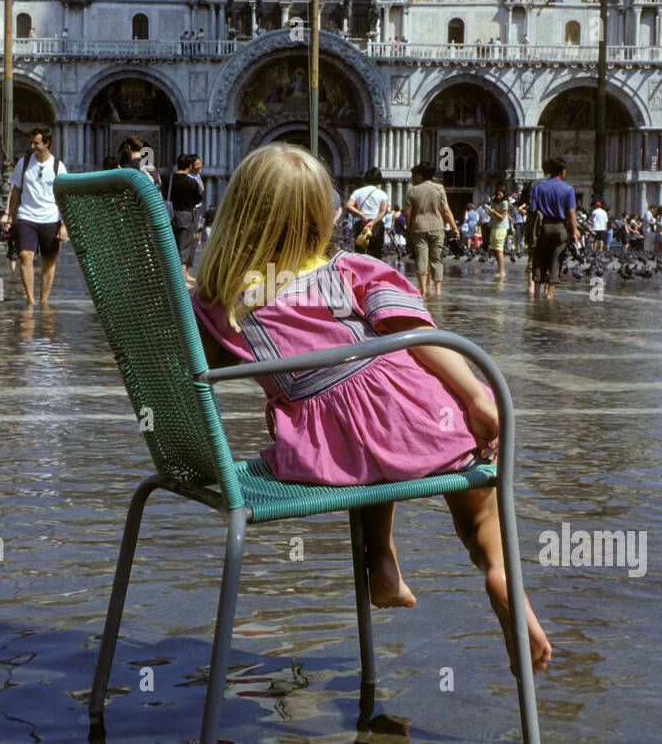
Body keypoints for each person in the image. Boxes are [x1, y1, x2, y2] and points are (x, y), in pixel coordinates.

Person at [192, 144, 551, 674]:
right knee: (470, 488)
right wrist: (476, 398)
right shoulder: (351, 269)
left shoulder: (220, 303)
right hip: (416, 426)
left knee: (363, 446)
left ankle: (380, 558)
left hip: (325, 455)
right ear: (319, 217)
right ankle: (497, 567)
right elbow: (422, 337)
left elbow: (200, 368)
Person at [3, 127, 68, 305]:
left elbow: (65, 196)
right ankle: (31, 301)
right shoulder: (23, 163)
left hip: (50, 217)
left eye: (36, 143)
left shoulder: (58, 166)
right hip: (27, 216)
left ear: (46, 143)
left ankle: (44, 300)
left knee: (49, 258)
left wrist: (64, 225)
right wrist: (9, 215)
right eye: (31, 142)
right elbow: (15, 190)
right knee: (25, 255)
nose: (32, 146)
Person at [404, 161, 458, 298]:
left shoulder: (413, 190)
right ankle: (438, 290)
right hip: (437, 227)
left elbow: (408, 213)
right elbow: (446, 210)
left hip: (418, 227)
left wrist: (409, 228)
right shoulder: (439, 188)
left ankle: (423, 290)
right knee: (436, 259)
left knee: (421, 259)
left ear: (420, 175)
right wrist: (454, 226)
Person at [529, 158, 579, 299]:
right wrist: (574, 230)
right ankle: (549, 294)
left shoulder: (539, 187)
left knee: (539, 259)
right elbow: (571, 213)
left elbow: (533, 209)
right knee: (556, 260)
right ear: (563, 171)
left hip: (544, 227)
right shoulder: (568, 189)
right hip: (560, 228)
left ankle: (537, 294)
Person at [167, 152, 204, 286]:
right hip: (186, 216)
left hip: (170, 215)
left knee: (172, 245)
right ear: (189, 166)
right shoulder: (191, 182)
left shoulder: (169, 179)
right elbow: (198, 198)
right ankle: (181, 279)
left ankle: (175, 276)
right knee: (184, 247)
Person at [346, 167, 389, 259]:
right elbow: (383, 211)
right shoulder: (382, 194)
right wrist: (372, 223)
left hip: (361, 224)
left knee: (360, 254)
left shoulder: (358, 192)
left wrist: (360, 214)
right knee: (375, 255)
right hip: (376, 226)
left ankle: (360, 272)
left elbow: (348, 205)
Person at [487, 184, 510, 280]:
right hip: (493, 226)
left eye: (500, 194)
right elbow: (491, 215)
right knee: (494, 249)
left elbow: (502, 217)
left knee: (499, 248)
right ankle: (499, 269)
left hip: (501, 227)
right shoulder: (494, 202)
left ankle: (502, 271)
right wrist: (488, 211)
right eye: (497, 194)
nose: (498, 196)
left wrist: (494, 212)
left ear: (504, 194)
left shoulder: (505, 203)